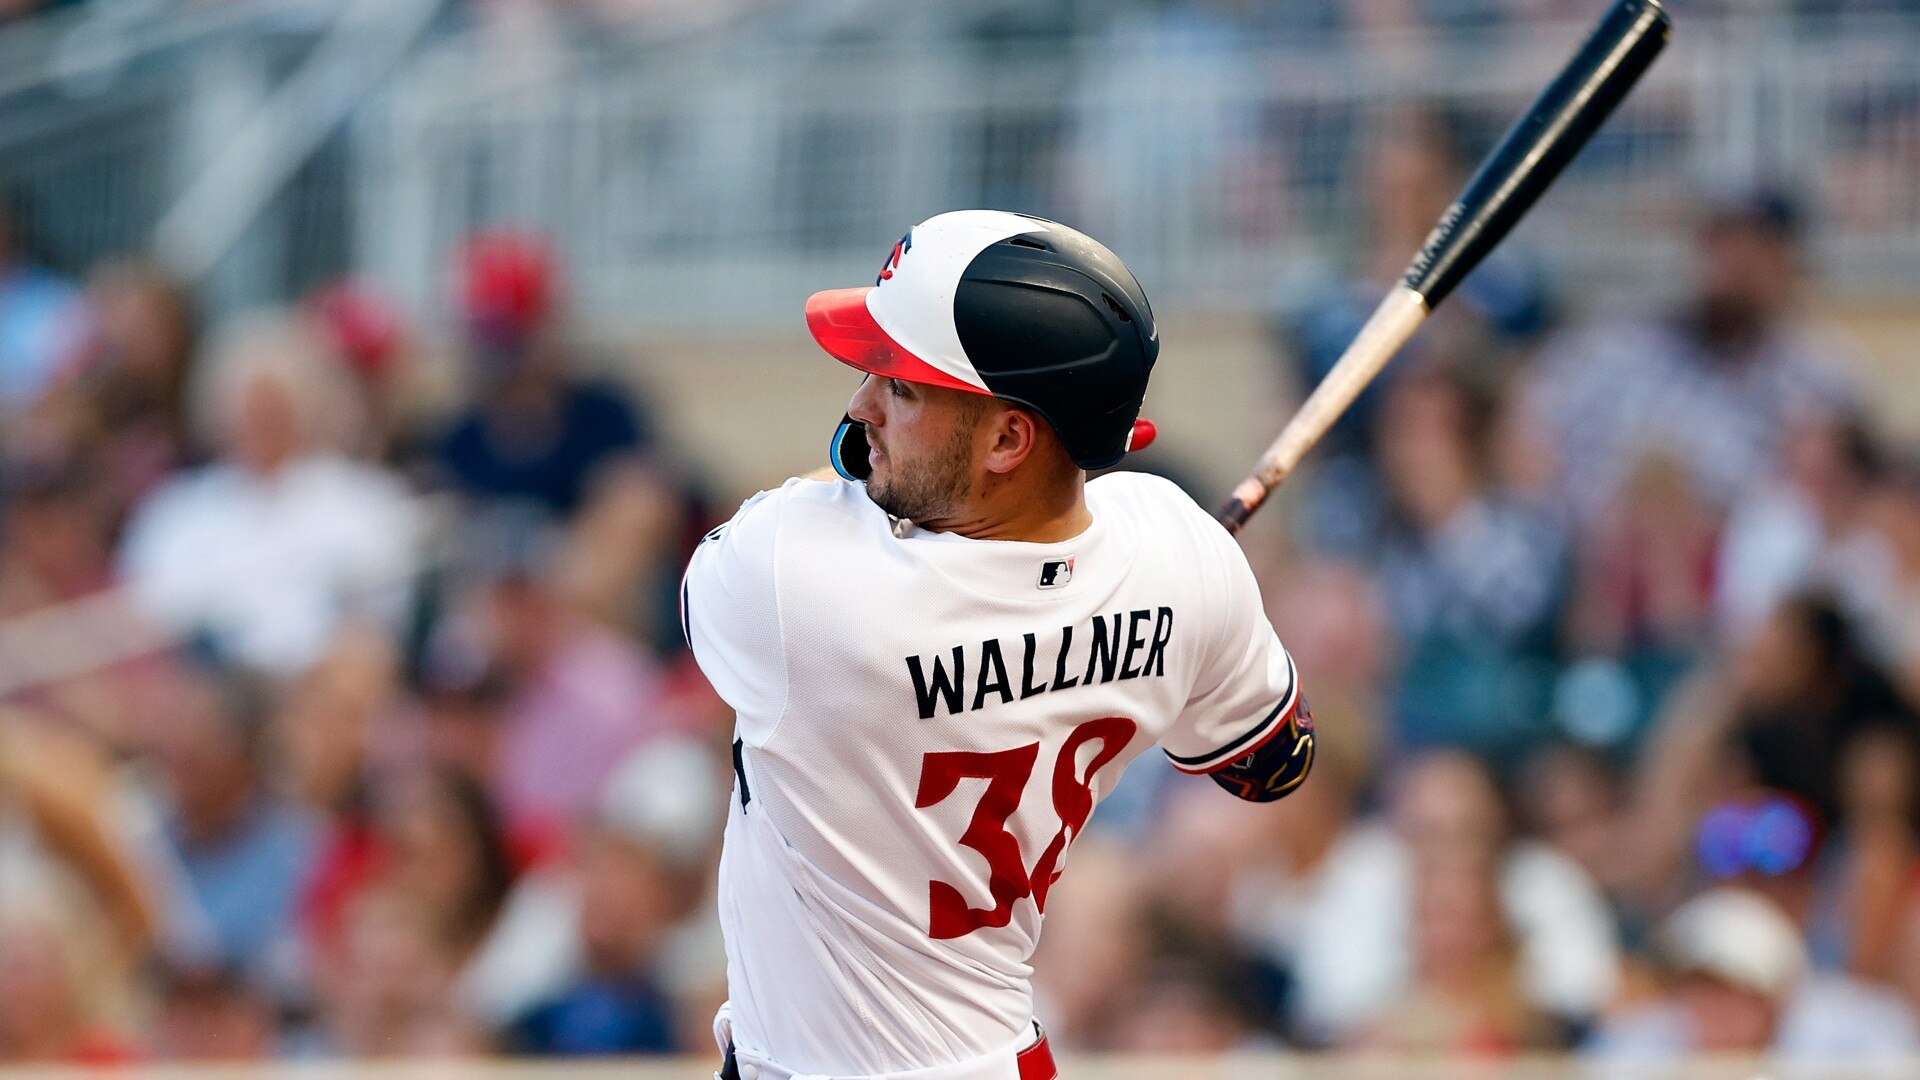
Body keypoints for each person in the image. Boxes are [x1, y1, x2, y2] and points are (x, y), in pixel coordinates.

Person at [681, 210, 1315, 1080]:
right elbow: (1272, 764)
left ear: (1012, 438)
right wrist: (1179, 613)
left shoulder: (789, 577)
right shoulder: (1174, 546)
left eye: (899, 387)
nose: (862, 404)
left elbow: (787, 545)